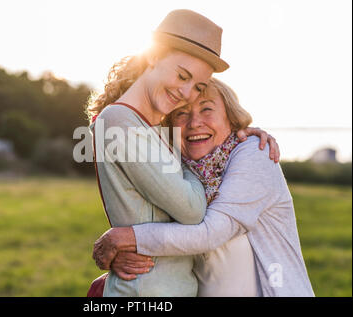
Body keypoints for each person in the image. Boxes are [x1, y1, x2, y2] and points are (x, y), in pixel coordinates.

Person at [87, 9, 279, 297]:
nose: (187, 92)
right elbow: (191, 211)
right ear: (153, 56)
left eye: (198, 86)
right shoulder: (119, 120)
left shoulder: (154, 131)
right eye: (182, 75)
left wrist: (237, 140)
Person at [92, 77, 315, 297]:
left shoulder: (254, 154)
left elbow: (209, 233)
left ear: (231, 118)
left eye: (207, 109)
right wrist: (125, 254)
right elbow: (170, 241)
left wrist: (126, 238)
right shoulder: (178, 177)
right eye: (181, 112)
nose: (194, 122)